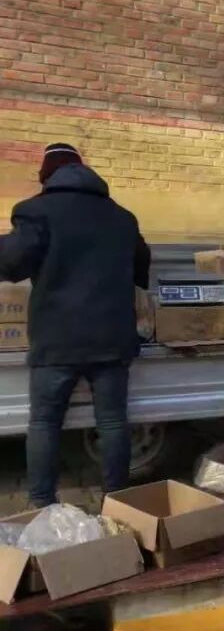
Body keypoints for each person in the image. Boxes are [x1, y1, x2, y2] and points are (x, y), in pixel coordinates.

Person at [0, 143, 151, 507]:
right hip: (112, 338)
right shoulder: (122, 217)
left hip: (57, 340)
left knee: (44, 423)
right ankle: (117, 501)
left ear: (46, 174)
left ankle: (42, 504)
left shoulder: (35, 211)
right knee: (112, 422)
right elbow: (141, 266)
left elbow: (11, 264)